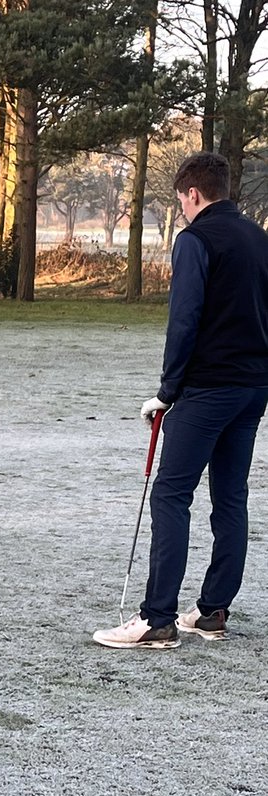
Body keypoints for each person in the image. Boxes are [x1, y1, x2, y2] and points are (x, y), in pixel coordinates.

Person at [94, 152, 268, 649]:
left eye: (181, 202)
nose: (183, 210)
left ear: (192, 194)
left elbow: (184, 320)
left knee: (171, 495)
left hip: (208, 389)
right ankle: (213, 611)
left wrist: (167, 392)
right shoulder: (259, 239)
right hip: (253, 389)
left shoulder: (194, 240)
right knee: (230, 496)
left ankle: (158, 619)